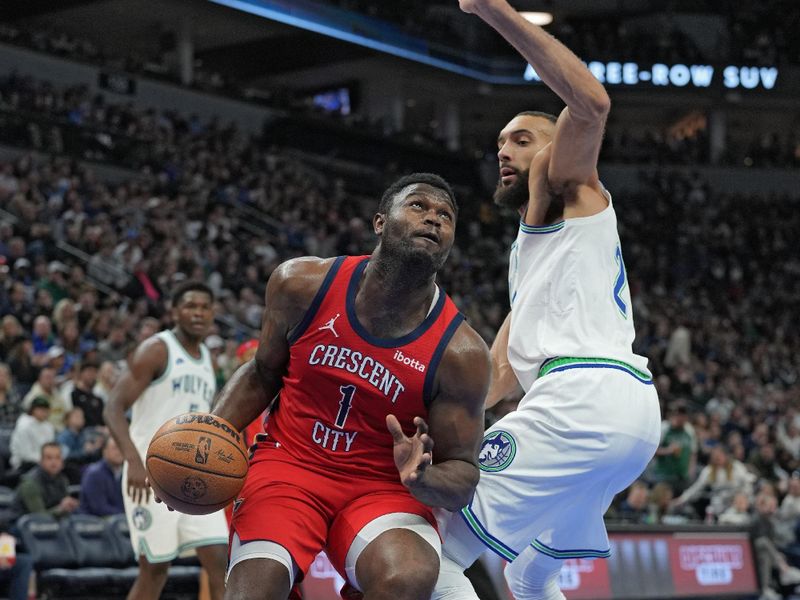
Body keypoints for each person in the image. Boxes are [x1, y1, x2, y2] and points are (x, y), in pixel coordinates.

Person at [431, 3, 662, 599]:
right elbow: (500, 379)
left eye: (523, 139)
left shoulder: (572, 189)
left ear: (560, 149)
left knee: (433, 549)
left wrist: (492, 10)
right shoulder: (535, 257)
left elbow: (592, 103)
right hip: (626, 417)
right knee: (528, 573)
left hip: (581, 402)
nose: (505, 151)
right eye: (501, 143)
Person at [202, 173, 489, 600]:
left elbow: (464, 473)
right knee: (252, 592)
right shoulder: (300, 284)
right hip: (289, 466)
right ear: (379, 223)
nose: (433, 219)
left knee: (407, 577)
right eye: (418, 207)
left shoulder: (461, 353)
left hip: (382, 487)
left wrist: (424, 479)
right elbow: (262, 373)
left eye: (445, 216)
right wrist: (205, 443)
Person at [103, 281, 228, 600]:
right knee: (155, 571)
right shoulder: (157, 349)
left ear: (213, 313)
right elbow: (113, 407)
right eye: (190, 306)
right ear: (174, 312)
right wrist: (132, 460)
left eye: (204, 307)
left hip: (196, 476)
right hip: (151, 474)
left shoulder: (208, 361)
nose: (198, 313)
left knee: (219, 560)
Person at [13, 441, 78, 519]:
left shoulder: (63, 479)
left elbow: (64, 509)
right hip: (21, 525)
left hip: (50, 524)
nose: (54, 462)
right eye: (49, 458)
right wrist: (61, 509)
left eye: (58, 457)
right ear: (41, 461)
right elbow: (39, 517)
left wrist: (71, 505)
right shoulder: (30, 483)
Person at [78, 436, 125, 517]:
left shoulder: (124, 473)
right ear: (105, 451)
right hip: (92, 524)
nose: (119, 452)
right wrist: (126, 515)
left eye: (121, 448)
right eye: (115, 448)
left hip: (117, 520)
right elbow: (99, 508)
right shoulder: (94, 474)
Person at [9, 397, 56, 472]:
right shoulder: (23, 425)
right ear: (32, 410)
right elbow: (25, 455)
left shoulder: (48, 426)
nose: (44, 412)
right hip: (23, 464)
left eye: (46, 410)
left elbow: (51, 447)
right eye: (40, 409)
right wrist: (45, 460)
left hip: (44, 462)